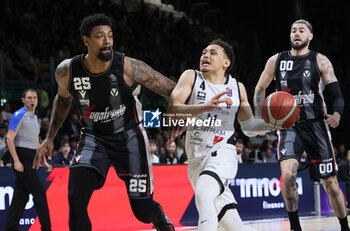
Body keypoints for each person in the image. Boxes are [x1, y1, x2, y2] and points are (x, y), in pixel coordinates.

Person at [33, 13, 176, 231]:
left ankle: (158, 217)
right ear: (86, 40)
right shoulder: (67, 71)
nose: (107, 40)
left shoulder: (129, 67)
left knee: (143, 211)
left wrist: (187, 113)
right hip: (93, 137)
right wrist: (50, 138)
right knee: (75, 198)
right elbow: (63, 100)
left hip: (129, 136)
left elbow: (172, 89)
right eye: (100, 36)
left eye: (110, 35)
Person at [253, 19, 348, 231]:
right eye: (293, 30)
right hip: (289, 127)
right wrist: (260, 118)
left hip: (316, 126)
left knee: (331, 186)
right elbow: (260, 88)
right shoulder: (276, 60)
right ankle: (295, 227)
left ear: (310, 36)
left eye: (301, 30)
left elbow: (337, 96)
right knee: (287, 176)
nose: (297, 33)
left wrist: (337, 114)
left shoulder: (320, 61)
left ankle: (344, 226)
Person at [168, 39, 270, 231]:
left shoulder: (237, 88)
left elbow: (248, 127)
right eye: (204, 52)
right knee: (235, 227)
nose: (205, 55)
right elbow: (173, 111)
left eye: (212, 52)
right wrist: (205, 107)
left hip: (223, 152)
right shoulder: (191, 77)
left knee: (204, 194)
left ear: (226, 63)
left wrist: (274, 124)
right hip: (195, 160)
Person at [5, 89, 52, 231]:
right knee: (39, 192)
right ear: (23, 100)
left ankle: (10, 228)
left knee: (21, 197)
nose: (32, 100)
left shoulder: (34, 118)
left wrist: (42, 160)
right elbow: (9, 138)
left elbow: (35, 142)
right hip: (22, 157)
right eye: (29, 97)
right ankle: (46, 228)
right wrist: (16, 160)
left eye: (35, 97)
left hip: (31, 157)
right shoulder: (18, 115)